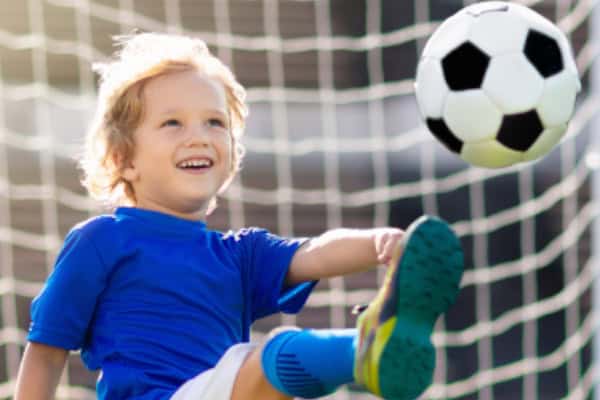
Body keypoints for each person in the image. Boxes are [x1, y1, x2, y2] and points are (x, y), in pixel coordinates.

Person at [14, 32, 464, 400]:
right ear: (124, 159)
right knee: (269, 359)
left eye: (215, 123)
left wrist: (382, 244)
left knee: (259, 370)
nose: (200, 137)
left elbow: (315, 253)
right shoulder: (101, 242)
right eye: (173, 123)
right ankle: (366, 351)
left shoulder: (238, 253)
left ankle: (373, 350)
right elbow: (46, 353)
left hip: (221, 392)